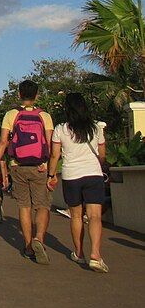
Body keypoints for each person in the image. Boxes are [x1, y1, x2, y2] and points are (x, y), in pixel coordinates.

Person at [0, 80, 53, 263]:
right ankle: (39, 238)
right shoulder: (45, 116)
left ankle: (28, 246)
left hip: (18, 165)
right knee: (42, 205)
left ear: (19, 94)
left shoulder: (11, 115)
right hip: (40, 166)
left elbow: (3, 141)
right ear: (37, 95)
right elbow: (49, 143)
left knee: (24, 206)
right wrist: (48, 165)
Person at [47, 93, 108, 272]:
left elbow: (54, 155)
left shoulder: (61, 129)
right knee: (95, 216)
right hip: (93, 175)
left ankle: (79, 253)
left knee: (76, 216)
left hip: (71, 175)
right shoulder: (96, 128)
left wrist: (51, 175)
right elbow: (102, 154)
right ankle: (95, 255)